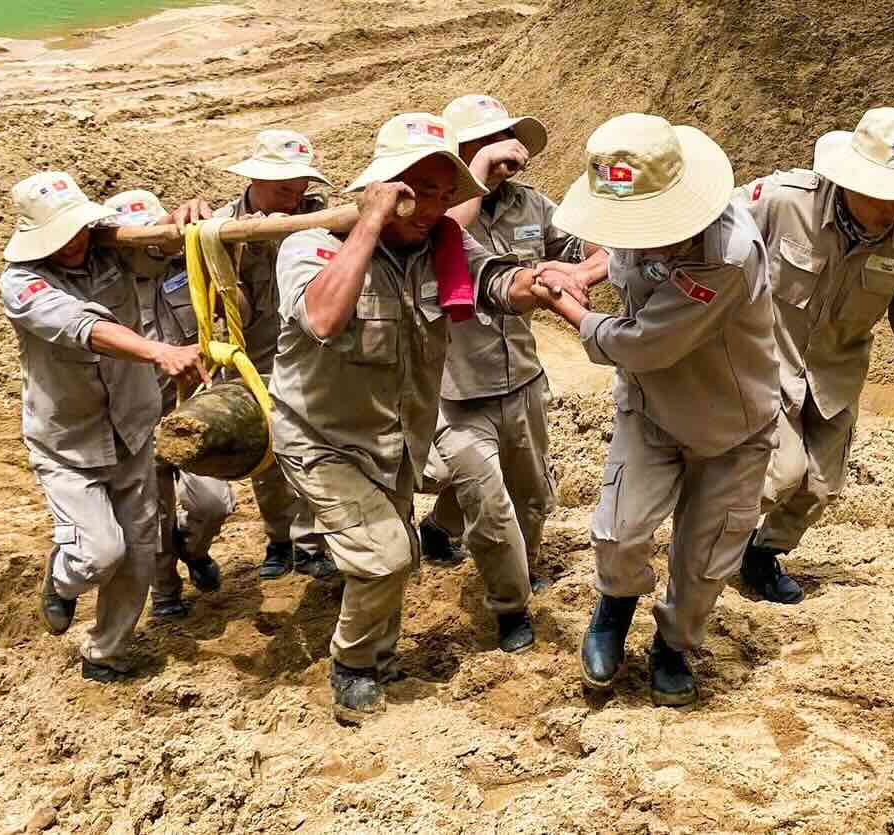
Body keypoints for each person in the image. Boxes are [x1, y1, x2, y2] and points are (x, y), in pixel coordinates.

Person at [269, 112, 571, 721]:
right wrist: (371, 222)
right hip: (321, 440)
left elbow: (498, 284)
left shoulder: (447, 250)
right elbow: (325, 318)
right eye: (416, 191)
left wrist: (540, 283)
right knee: (385, 555)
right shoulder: (314, 247)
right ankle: (352, 664)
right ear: (383, 186)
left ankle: (378, 659)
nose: (432, 206)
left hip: (398, 438)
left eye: (444, 193)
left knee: (395, 546)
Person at [537, 113, 780, 706]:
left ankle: (672, 645)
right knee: (619, 533)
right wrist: (586, 268)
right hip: (649, 411)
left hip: (733, 426)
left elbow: (644, 343)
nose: (636, 232)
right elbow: (623, 252)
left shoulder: (726, 256)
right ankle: (613, 609)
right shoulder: (638, 214)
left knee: (704, 561)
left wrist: (563, 304)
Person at [734, 107, 894, 604]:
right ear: (851, 177)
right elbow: (705, 237)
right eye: (887, 192)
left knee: (820, 488)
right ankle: (705, 547)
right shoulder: (784, 203)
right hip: (763, 365)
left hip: (835, 377)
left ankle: (760, 555)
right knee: (779, 474)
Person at [0, 172, 207, 682]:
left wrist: (181, 222)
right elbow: (83, 326)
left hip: (132, 430)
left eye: (79, 228)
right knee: (97, 554)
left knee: (138, 555)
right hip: (67, 444)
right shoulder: (21, 284)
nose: (75, 241)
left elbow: (166, 250)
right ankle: (61, 577)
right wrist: (159, 350)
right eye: (61, 233)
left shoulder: (112, 249)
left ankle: (104, 654)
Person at [416, 94, 609, 601]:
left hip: (521, 373)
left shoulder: (531, 205)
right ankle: (509, 594)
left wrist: (587, 266)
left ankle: (447, 533)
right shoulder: (433, 210)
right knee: (486, 498)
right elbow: (445, 236)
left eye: (504, 139)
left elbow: (585, 245)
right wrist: (472, 173)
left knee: (531, 493)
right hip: (457, 383)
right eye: (485, 142)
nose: (501, 151)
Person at [170, 130, 338, 582]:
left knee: (314, 450)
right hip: (254, 356)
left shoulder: (321, 217)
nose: (295, 194)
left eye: (301, 185)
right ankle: (280, 539)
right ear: (256, 178)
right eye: (285, 186)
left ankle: (310, 543)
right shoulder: (217, 226)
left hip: (315, 353)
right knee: (269, 455)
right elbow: (228, 303)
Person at [103, 190, 235, 620]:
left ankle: (193, 550)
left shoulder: (187, 266)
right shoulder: (105, 287)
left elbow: (233, 309)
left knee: (213, 503)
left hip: (191, 409)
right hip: (136, 419)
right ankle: (166, 593)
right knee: (152, 516)